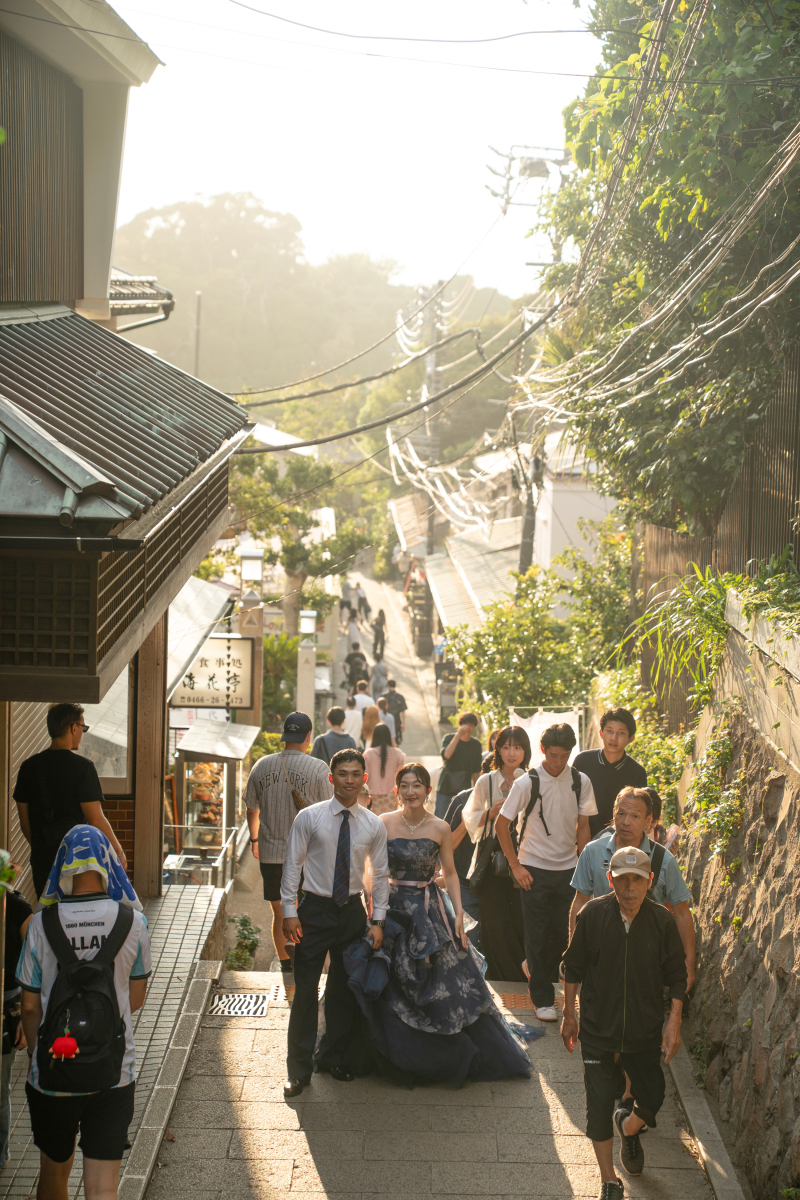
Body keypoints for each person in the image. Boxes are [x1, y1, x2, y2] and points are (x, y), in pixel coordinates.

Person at [341, 763, 533, 1087]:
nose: (411, 791)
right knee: (391, 979)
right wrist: (374, 912)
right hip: (391, 911)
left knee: (449, 980)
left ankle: (448, 1054)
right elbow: (372, 872)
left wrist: (458, 913)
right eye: (405, 785)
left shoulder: (441, 827)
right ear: (396, 790)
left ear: (428, 791)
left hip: (428, 910)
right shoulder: (382, 824)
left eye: (418, 786)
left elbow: (452, 874)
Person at [18, 826, 151, 1200]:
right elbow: (135, 999)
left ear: (63, 865)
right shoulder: (133, 923)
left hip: (54, 1068)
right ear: (108, 864)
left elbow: (30, 1005)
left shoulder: (40, 925)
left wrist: (35, 1054)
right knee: (104, 1185)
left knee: (53, 1172)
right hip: (114, 1069)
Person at [561, 845, 687, 1196]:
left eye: (637, 880)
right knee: (598, 1105)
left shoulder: (662, 922)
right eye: (622, 880)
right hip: (598, 1030)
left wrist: (673, 1020)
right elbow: (573, 967)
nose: (629, 888)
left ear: (650, 881)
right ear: (609, 880)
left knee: (653, 1095)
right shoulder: (592, 915)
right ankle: (609, 1181)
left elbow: (677, 974)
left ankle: (628, 1128)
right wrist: (569, 1014)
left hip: (643, 1032)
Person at [280, 748, 390, 1098]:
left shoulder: (373, 824)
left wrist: (378, 920)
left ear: (364, 779)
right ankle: (298, 1070)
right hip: (314, 910)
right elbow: (292, 864)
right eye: (342, 773)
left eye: (356, 774)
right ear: (331, 778)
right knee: (306, 992)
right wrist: (288, 910)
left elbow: (382, 875)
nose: (349, 780)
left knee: (343, 990)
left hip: (352, 912)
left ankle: (333, 1057)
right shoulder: (309, 818)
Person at [495, 723, 597, 1021]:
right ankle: (542, 999)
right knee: (537, 934)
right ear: (543, 751)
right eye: (553, 755)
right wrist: (516, 866)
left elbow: (584, 826)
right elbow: (503, 824)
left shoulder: (580, 781)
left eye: (564, 755)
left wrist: (584, 864)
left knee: (564, 935)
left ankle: (534, 967)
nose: (558, 761)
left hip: (569, 868)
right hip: (533, 868)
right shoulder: (527, 782)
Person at [570, 786, 696, 993]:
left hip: (647, 961)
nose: (625, 821)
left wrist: (688, 966)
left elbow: (682, 913)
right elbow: (580, 902)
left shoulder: (663, 860)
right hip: (600, 955)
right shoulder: (593, 852)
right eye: (621, 813)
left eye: (635, 816)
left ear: (649, 821)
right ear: (613, 814)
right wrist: (575, 955)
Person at [245, 712, 331, 974]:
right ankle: (308, 963)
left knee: (281, 912)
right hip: (309, 857)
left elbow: (251, 809)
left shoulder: (261, 765)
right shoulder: (319, 769)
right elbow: (330, 811)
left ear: (284, 735)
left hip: (272, 853)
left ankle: (286, 966)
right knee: (310, 914)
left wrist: (254, 838)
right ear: (308, 736)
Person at [13, 703, 128, 898]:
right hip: (77, 860)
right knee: (75, 915)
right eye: (83, 728)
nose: (82, 733)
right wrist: (118, 852)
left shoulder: (28, 767)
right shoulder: (83, 768)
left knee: (48, 914)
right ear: (73, 728)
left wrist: (44, 848)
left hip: (42, 858)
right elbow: (96, 819)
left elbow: (25, 823)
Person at [463, 726, 529, 982]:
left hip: (525, 859)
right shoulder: (486, 781)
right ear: (498, 750)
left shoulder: (532, 778)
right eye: (506, 747)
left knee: (520, 921)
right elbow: (468, 818)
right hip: (494, 862)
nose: (512, 753)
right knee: (495, 923)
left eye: (518, 747)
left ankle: (522, 979)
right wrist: (491, 813)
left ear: (526, 751)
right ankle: (499, 981)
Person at [573, 708, 648, 838]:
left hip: (620, 842)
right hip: (581, 839)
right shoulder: (582, 761)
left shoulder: (637, 772)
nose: (614, 738)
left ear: (631, 738)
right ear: (601, 733)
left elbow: (639, 813)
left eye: (621, 733)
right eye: (609, 731)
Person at [1, 871, 32, 1167]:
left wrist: (25, 1013)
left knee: (0, 1084)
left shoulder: (20, 911)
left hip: (7, 1001)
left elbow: (37, 966)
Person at [442, 790, 481, 949]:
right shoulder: (462, 801)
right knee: (467, 941)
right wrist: (468, 822)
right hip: (464, 882)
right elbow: (446, 846)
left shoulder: (517, 796)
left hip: (498, 884)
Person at [436, 712, 483, 819]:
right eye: (466, 724)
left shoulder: (476, 745)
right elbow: (447, 755)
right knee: (440, 819)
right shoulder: (449, 738)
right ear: (460, 725)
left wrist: (477, 793)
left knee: (459, 821)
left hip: (464, 788)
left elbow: (476, 770)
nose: (468, 728)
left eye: (471, 725)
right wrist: (458, 735)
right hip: (445, 786)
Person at [364, 724, 404, 815]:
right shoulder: (398, 754)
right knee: (389, 823)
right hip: (391, 795)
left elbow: (365, 775)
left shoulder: (369, 754)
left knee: (373, 823)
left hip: (372, 795)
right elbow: (401, 777)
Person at [379, 680, 407, 746]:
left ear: (388, 686)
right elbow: (403, 711)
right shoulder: (400, 697)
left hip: (385, 720)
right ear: (395, 686)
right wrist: (403, 723)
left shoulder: (383, 696)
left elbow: (379, 709)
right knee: (396, 739)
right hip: (397, 720)